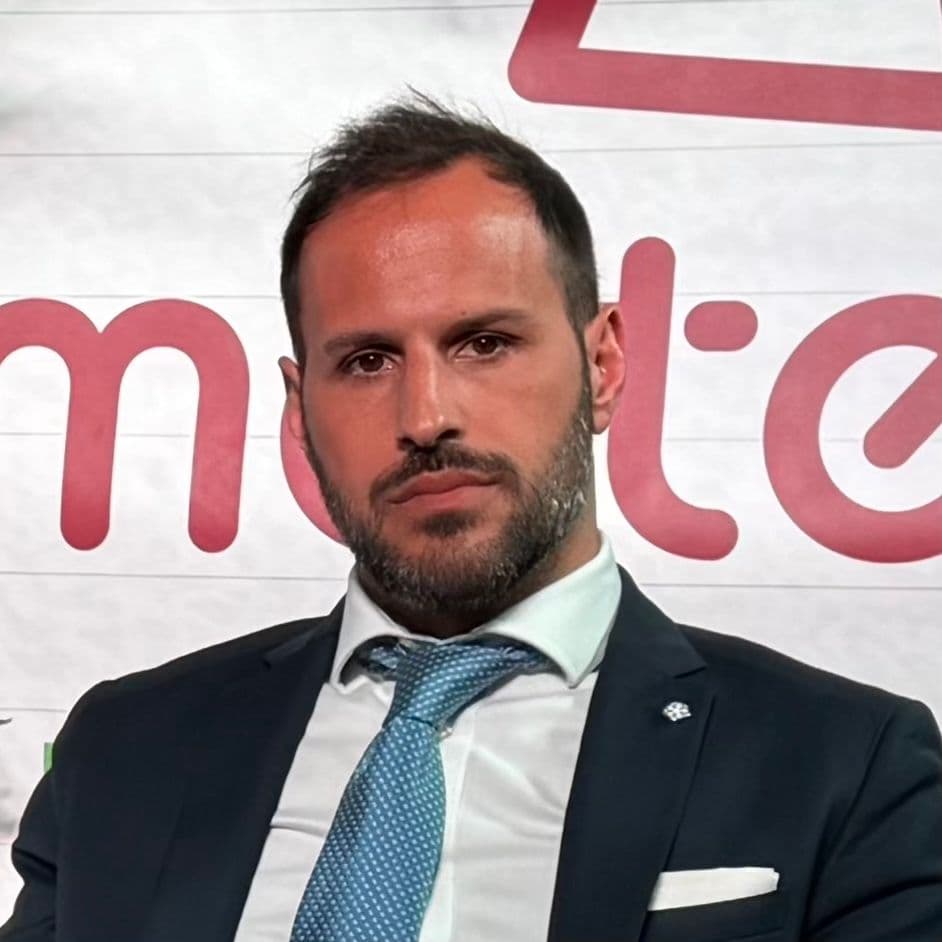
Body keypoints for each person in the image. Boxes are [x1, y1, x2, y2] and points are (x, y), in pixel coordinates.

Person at [2, 96, 941, 942]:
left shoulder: (848, 767)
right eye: (366, 362)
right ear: (299, 409)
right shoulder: (123, 749)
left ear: (603, 365)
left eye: (484, 343)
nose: (424, 417)